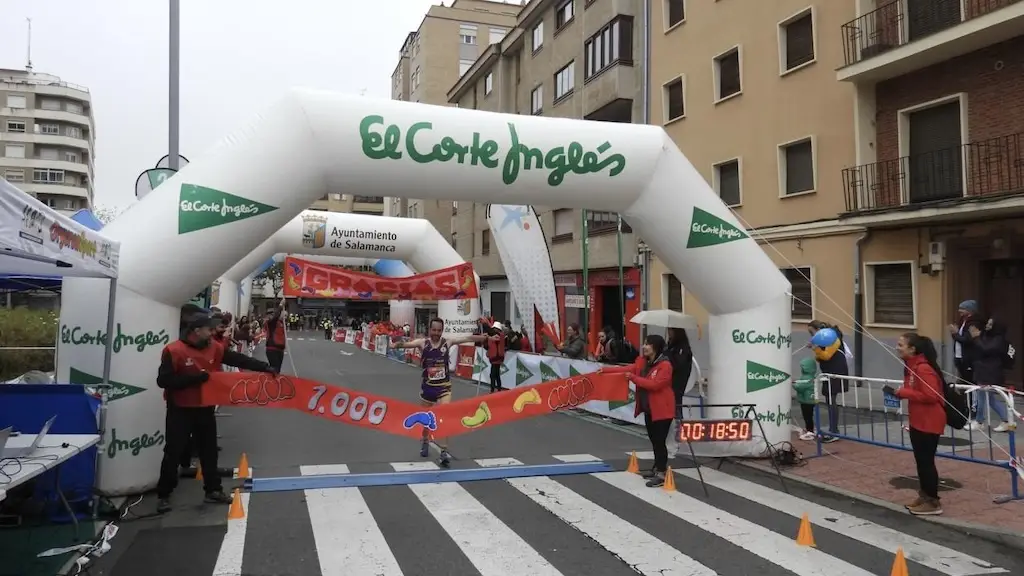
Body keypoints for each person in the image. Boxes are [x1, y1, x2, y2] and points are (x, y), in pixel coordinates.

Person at [156, 307, 276, 514]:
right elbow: (163, 381)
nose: (213, 333)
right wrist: (195, 379)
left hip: (205, 407)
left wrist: (264, 367)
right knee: (173, 452)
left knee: (209, 450)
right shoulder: (173, 350)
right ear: (196, 330)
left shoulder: (213, 347)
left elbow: (237, 359)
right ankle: (164, 495)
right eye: (208, 330)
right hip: (180, 409)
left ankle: (213, 489)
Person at [390, 318, 488, 467]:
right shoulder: (423, 343)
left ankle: (444, 451)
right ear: (430, 330)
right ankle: (425, 441)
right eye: (434, 330)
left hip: (444, 387)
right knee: (426, 422)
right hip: (428, 388)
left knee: (444, 416)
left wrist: (486, 338)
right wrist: (394, 344)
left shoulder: (447, 343)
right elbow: (405, 344)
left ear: (442, 330)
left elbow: (467, 338)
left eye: (439, 330)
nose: (436, 333)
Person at [883, 333, 946, 516]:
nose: (897, 347)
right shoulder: (911, 366)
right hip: (919, 420)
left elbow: (931, 396)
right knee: (921, 462)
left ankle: (933, 502)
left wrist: (904, 393)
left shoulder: (923, 368)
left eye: (901, 344)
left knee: (926, 462)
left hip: (929, 420)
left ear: (913, 349)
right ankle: (925, 496)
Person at [599, 334, 674, 486]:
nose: (644, 347)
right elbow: (627, 369)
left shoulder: (665, 366)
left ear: (656, 347)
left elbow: (655, 385)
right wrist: (605, 370)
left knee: (660, 442)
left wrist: (633, 378)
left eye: (648, 344)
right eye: (644, 343)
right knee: (654, 441)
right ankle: (656, 468)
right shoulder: (644, 363)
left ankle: (661, 473)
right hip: (649, 409)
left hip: (662, 410)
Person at [967, 318, 1012, 432]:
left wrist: (976, 338)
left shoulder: (998, 339)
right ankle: (1005, 420)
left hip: (990, 372)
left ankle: (980, 421)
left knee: (982, 396)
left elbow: (986, 349)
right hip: (984, 370)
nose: (987, 325)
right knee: (989, 398)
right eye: (987, 323)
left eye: (990, 324)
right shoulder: (989, 336)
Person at [808, 321, 849, 443]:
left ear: (818, 330)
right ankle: (832, 430)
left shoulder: (833, 338)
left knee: (831, 399)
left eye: (812, 332)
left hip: (835, 370)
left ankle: (834, 431)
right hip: (828, 370)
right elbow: (820, 357)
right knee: (828, 398)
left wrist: (815, 348)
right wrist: (816, 350)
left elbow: (826, 356)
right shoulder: (822, 340)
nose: (811, 335)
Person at [793, 357, 819, 441]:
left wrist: (794, 384)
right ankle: (810, 429)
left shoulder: (806, 378)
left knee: (807, 416)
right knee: (809, 416)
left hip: (806, 400)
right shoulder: (810, 377)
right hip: (809, 399)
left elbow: (800, 387)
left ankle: (810, 431)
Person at [264, 298, 287, 373]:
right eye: (270, 314)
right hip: (272, 348)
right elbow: (275, 317)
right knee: (275, 369)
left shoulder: (281, 323)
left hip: (280, 349)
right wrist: (280, 305)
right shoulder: (271, 323)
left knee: (278, 370)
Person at [486, 322, 506, 394]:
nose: (493, 330)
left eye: (495, 329)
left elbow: (495, 338)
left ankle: (492, 390)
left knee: (493, 375)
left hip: (496, 359)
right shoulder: (500, 335)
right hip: (497, 358)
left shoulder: (499, 336)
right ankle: (499, 389)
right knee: (497, 375)